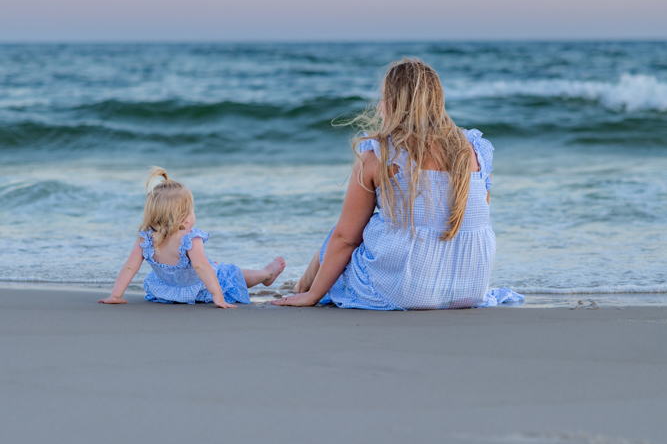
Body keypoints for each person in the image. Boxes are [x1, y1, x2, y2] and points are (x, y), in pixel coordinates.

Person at [272, 58, 522, 311]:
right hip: (469, 290)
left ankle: (303, 290)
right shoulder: (474, 151)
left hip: (402, 291)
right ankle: (302, 287)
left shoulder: (379, 155)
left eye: (384, 98)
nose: (379, 107)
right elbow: (475, 220)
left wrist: (315, 296)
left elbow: (346, 239)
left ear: (397, 103)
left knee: (339, 237)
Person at [100, 168, 285, 306]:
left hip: (166, 292)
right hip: (201, 290)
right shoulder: (190, 238)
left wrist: (115, 295)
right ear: (185, 218)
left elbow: (130, 267)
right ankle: (265, 274)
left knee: (215, 267)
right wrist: (218, 296)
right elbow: (201, 266)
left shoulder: (146, 238)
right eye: (191, 210)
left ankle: (263, 274)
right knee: (229, 273)